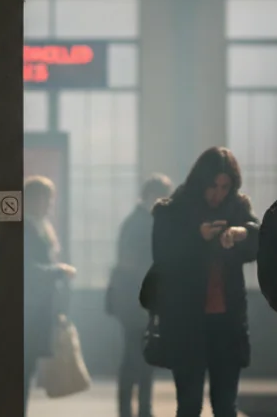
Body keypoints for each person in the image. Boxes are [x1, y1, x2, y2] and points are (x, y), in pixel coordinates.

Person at [152, 148, 259, 417]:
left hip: (227, 321)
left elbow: (260, 240)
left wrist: (240, 233)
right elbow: (163, 256)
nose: (218, 193)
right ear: (200, 182)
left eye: (225, 187)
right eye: (212, 186)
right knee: (189, 406)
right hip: (188, 322)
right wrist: (197, 236)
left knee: (225, 406)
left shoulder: (237, 208)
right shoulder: (174, 210)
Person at [106, 174, 171, 417]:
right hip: (137, 301)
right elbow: (131, 263)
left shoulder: (142, 221)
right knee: (135, 359)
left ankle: (141, 409)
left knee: (141, 358)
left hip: (140, 300)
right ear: (151, 196)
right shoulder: (140, 223)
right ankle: (133, 410)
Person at [22, 176, 76, 414]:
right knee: (22, 367)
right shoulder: (24, 228)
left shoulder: (40, 227)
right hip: (27, 309)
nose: (49, 205)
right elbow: (24, 267)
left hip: (40, 308)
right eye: (46, 199)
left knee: (27, 367)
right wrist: (58, 271)